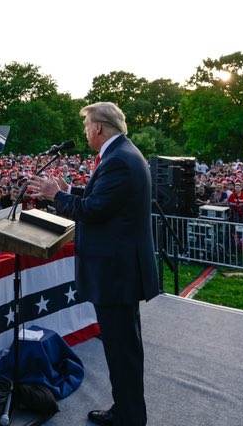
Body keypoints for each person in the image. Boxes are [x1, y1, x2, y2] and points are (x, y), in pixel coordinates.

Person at [29, 102, 159, 426]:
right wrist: (67, 190)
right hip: (120, 269)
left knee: (122, 350)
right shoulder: (123, 155)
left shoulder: (119, 161)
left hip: (116, 272)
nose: (85, 132)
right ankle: (127, 410)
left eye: (87, 126)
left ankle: (129, 417)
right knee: (123, 347)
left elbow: (94, 211)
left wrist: (55, 197)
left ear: (99, 128)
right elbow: (100, 198)